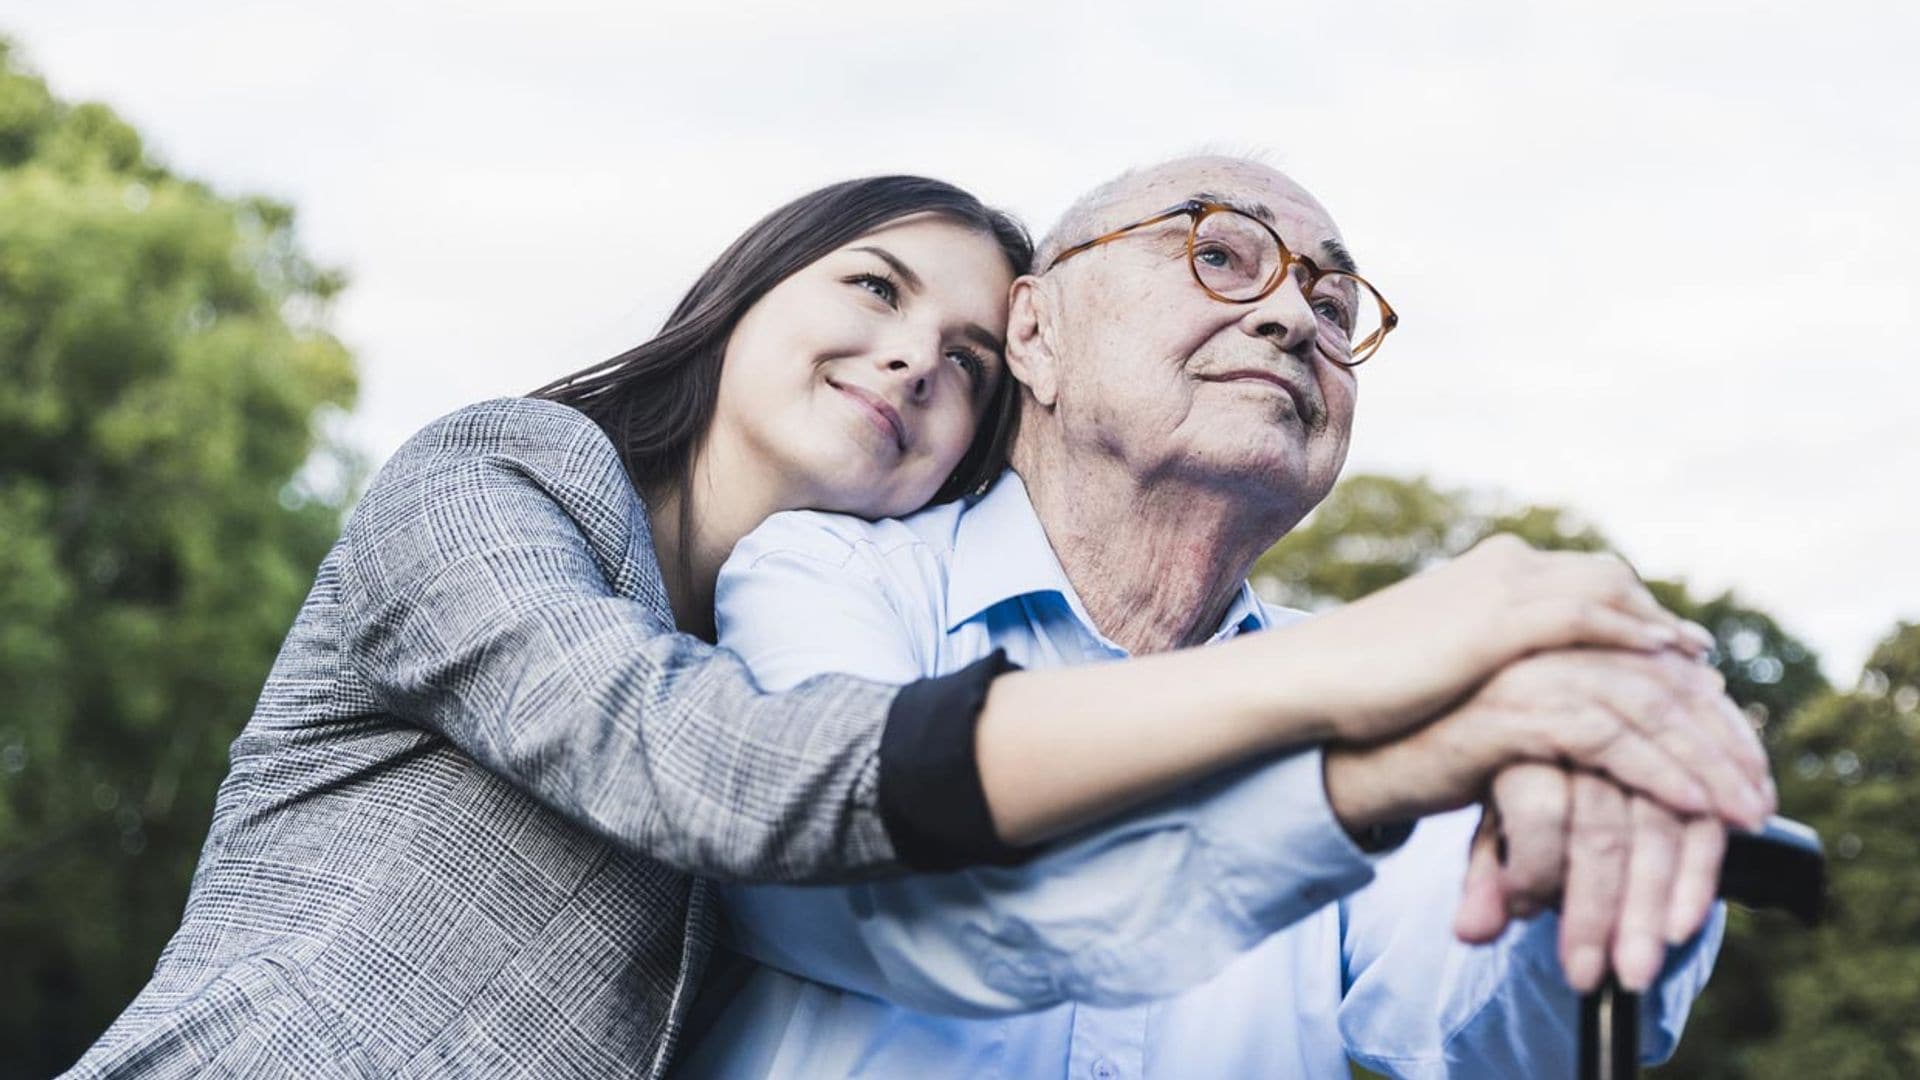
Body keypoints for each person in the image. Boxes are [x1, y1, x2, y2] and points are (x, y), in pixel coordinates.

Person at [62, 175, 1720, 1080]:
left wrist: (1619, 817)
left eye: (968, 358)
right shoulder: (540, 489)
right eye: (869, 287)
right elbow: (746, 782)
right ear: (748, 291)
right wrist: (1355, 696)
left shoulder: (790, 593)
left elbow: (1471, 1039)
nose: (923, 356)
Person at [675, 156, 1773, 1077]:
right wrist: (1359, 763)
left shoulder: (1422, 693)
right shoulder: (830, 573)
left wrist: (1598, 846)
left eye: (1335, 308)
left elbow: (1480, 1045)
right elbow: (864, 890)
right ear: (1037, 333)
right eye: (1218, 254)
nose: (1295, 317)